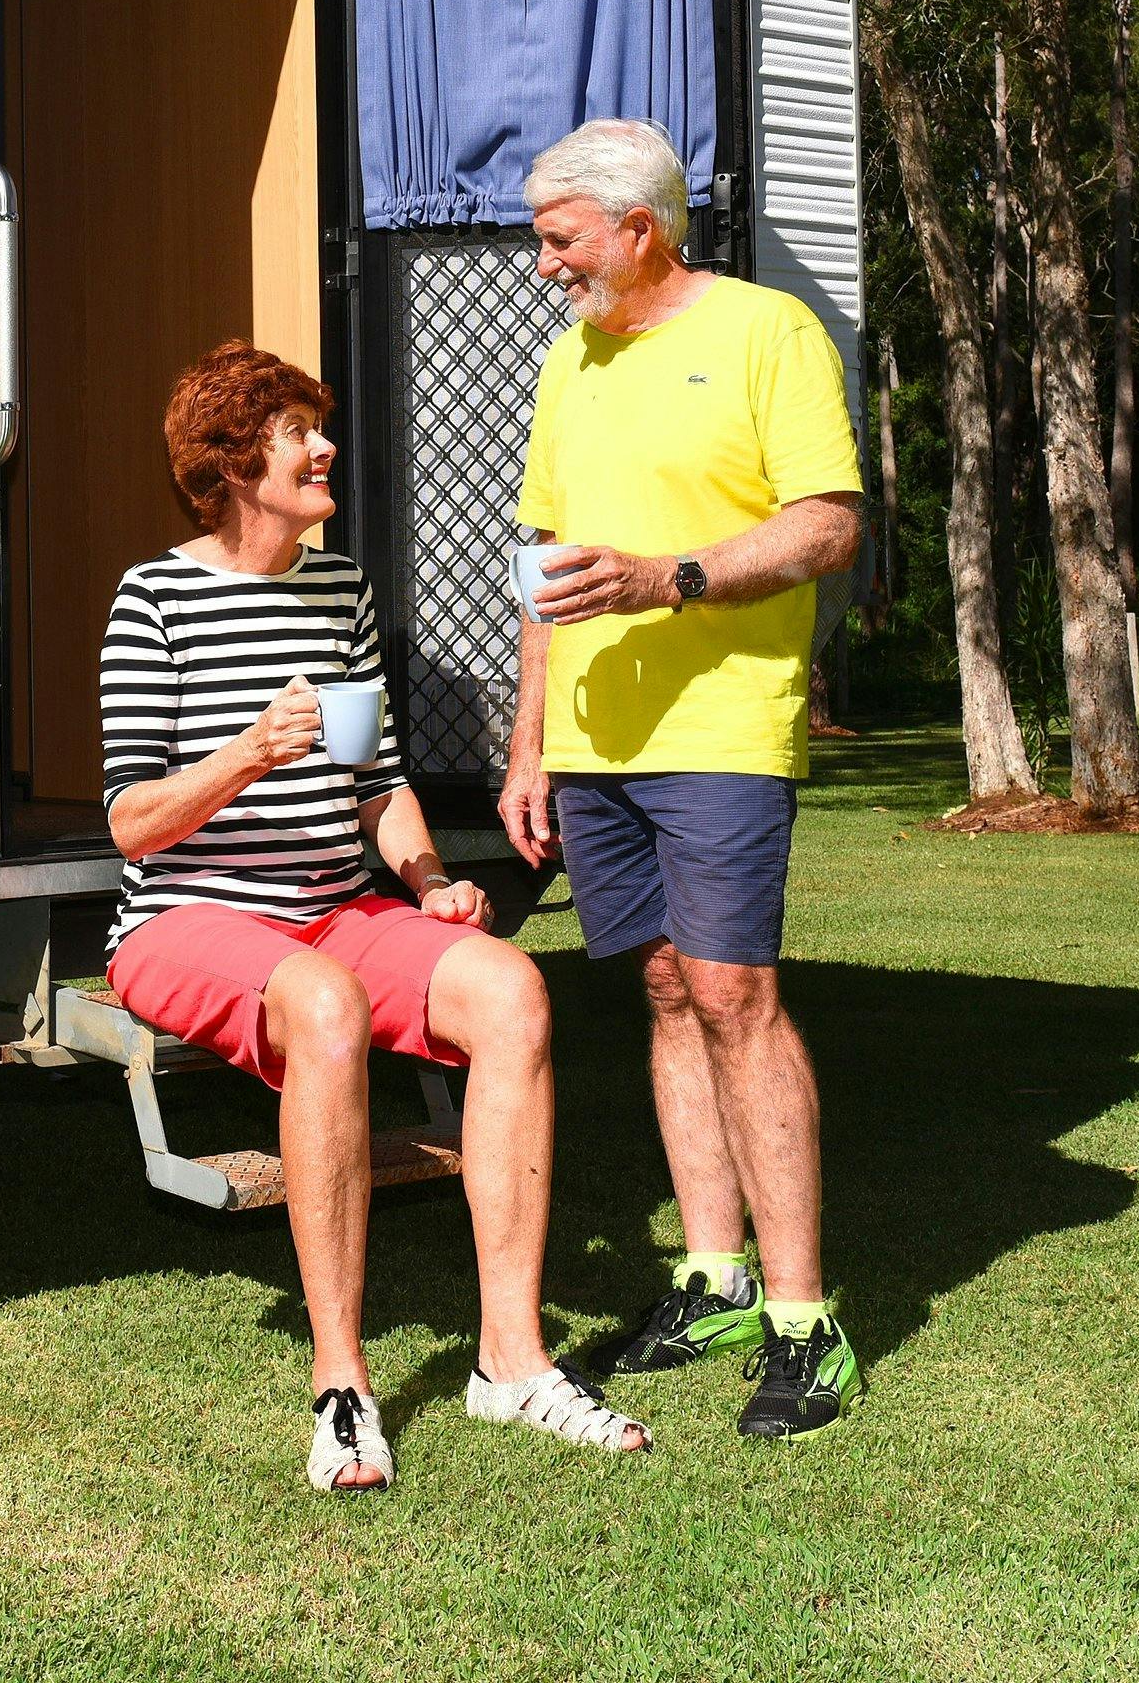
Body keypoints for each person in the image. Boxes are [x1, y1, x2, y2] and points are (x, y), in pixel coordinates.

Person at [104, 341, 649, 1491]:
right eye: (296, 432)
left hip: (334, 905)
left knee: (510, 989)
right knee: (325, 1005)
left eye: (318, 425)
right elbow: (132, 822)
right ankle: (343, 1386)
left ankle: (511, 1361)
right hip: (186, 917)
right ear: (231, 465)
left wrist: (426, 880)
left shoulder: (339, 588)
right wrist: (249, 753)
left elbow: (377, 778)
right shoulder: (155, 597)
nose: (325, 446)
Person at [496, 119, 870, 1441]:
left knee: (731, 994)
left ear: (639, 228)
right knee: (661, 989)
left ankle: (803, 1321)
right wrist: (529, 741)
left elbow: (827, 524)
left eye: (560, 240)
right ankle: (713, 1278)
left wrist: (671, 578)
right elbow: (544, 563)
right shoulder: (569, 359)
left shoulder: (768, 332)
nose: (544, 265)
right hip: (593, 737)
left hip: (718, 727)